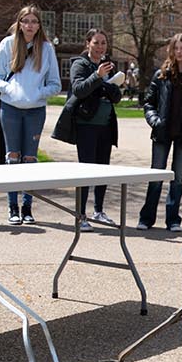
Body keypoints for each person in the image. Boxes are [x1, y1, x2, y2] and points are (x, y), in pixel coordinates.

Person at [0, 5, 61, 225]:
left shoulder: (46, 49)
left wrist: (39, 93)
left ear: (39, 26)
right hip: (10, 108)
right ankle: (12, 206)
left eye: (34, 22)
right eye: (26, 21)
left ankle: (27, 206)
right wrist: (10, 90)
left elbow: (55, 84)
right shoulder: (8, 45)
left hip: (35, 111)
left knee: (30, 158)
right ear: (19, 24)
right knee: (13, 156)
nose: (30, 26)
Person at [59, 28, 123, 230]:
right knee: (86, 171)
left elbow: (117, 97)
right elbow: (78, 90)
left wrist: (109, 84)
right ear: (88, 44)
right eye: (96, 42)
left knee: (103, 170)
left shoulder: (107, 66)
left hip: (105, 125)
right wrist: (97, 76)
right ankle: (81, 215)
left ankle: (99, 210)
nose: (100, 47)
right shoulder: (80, 64)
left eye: (103, 43)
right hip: (86, 125)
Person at [138, 34, 182, 231]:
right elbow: (149, 103)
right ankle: (146, 218)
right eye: (176, 48)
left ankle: (173, 219)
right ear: (171, 51)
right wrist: (155, 121)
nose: (179, 52)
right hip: (163, 132)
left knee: (178, 177)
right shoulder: (162, 75)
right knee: (156, 174)